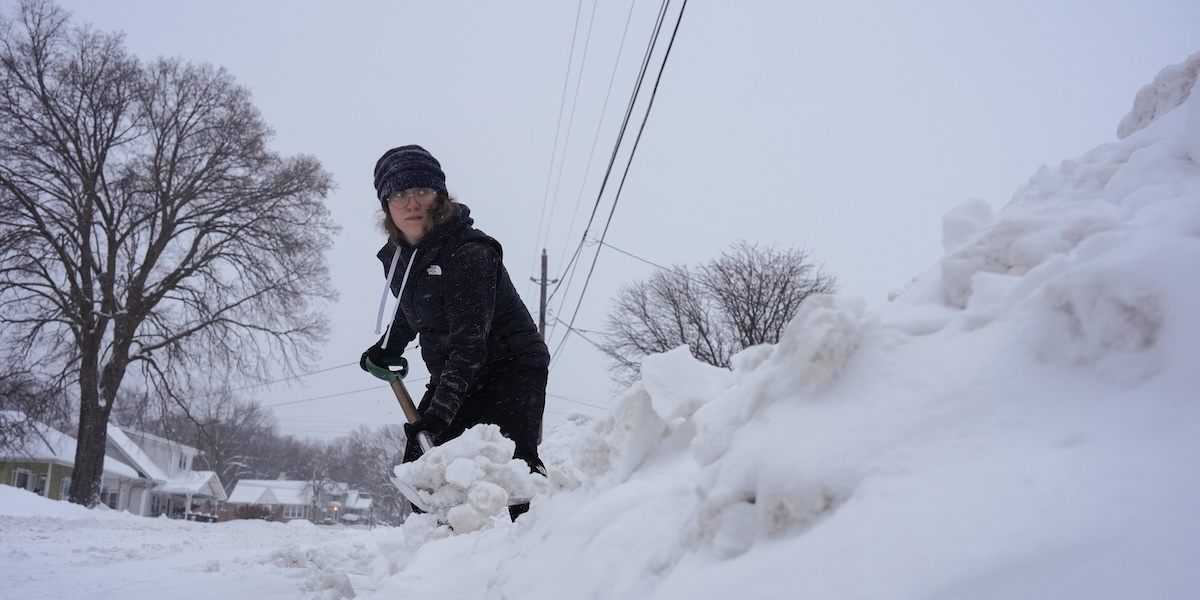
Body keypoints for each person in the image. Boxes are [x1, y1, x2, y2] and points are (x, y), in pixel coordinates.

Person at [359, 144, 550, 519]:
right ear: (386, 205)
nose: (412, 203)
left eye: (422, 191)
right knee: (422, 468)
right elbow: (411, 310)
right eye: (399, 193)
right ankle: (440, 558)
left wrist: (439, 415)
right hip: (456, 370)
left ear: (440, 197)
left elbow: (469, 345)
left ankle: (539, 544)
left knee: (514, 467)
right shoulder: (400, 257)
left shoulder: (469, 253)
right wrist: (388, 346)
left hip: (511, 366)